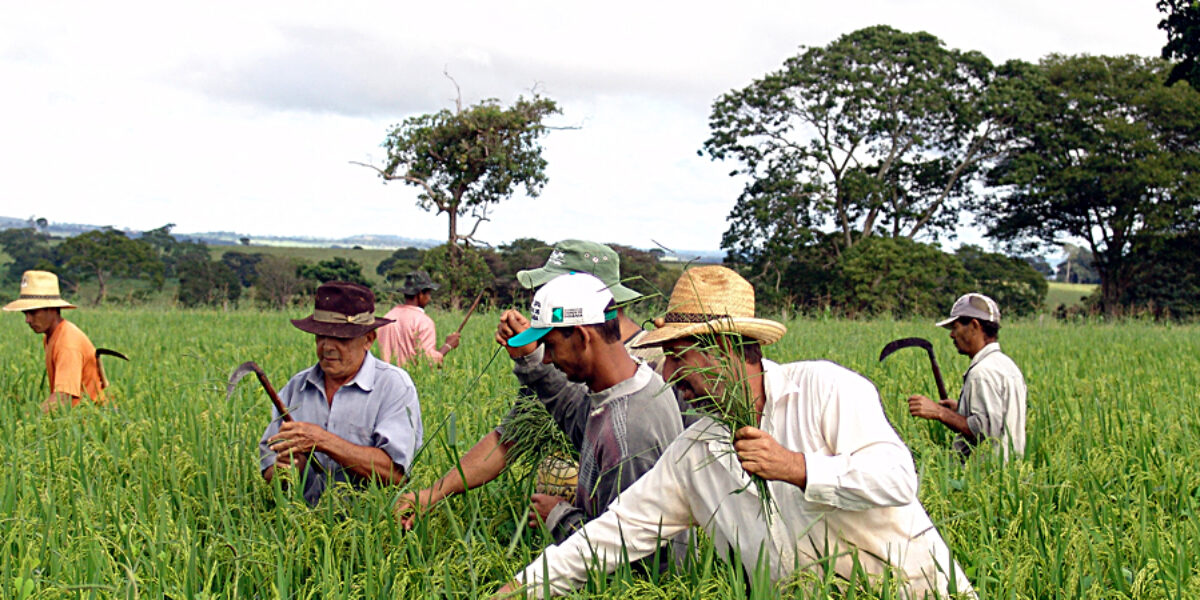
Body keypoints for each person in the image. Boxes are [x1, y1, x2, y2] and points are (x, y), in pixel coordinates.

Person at [494, 266, 974, 599]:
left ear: (723, 346)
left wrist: (798, 467)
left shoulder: (825, 389)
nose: (672, 371)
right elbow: (612, 534)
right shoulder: (696, 451)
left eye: (680, 354)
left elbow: (895, 478)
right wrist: (520, 589)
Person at [396, 240, 684, 527]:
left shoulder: (659, 367)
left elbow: (638, 532)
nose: (540, 299)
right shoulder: (562, 362)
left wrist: (563, 519)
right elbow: (511, 436)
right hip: (575, 532)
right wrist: (435, 493)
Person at [259, 281, 423, 506]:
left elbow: (394, 474)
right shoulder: (296, 387)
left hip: (370, 528)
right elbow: (269, 469)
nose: (327, 347)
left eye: (341, 338)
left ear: (368, 339)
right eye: (321, 336)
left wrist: (321, 441)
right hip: (302, 526)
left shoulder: (393, 386)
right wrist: (284, 470)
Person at [907, 292, 1027, 462]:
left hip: (987, 474)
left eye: (955, 327)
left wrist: (939, 412)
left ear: (974, 325)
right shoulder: (1007, 366)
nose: (952, 335)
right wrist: (960, 410)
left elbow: (984, 431)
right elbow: (998, 419)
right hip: (1012, 470)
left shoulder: (982, 372)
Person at [3, 270, 106, 412]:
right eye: (25, 313)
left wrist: (28, 422)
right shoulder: (51, 336)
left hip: (90, 420)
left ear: (51, 309)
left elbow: (63, 397)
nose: (27, 320)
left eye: (33, 313)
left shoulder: (67, 343)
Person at [376, 270, 460, 366]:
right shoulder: (424, 322)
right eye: (428, 294)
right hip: (411, 379)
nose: (429, 298)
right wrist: (448, 346)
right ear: (420, 294)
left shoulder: (387, 318)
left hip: (386, 379)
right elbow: (428, 362)